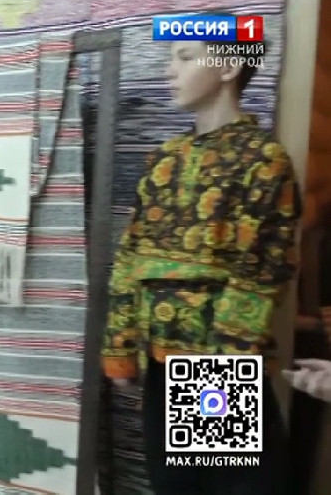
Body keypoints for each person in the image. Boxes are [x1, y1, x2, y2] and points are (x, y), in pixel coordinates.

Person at [99, 40, 300, 495]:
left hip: (216, 363)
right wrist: (119, 344)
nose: (170, 70)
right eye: (171, 58)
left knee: (222, 488)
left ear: (229, 67)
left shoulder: (262, 158)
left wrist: (223, 365)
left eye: (186, 57)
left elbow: (264, 266)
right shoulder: (164, 159)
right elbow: (131, 254)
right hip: (159, 360)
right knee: (172, 485)